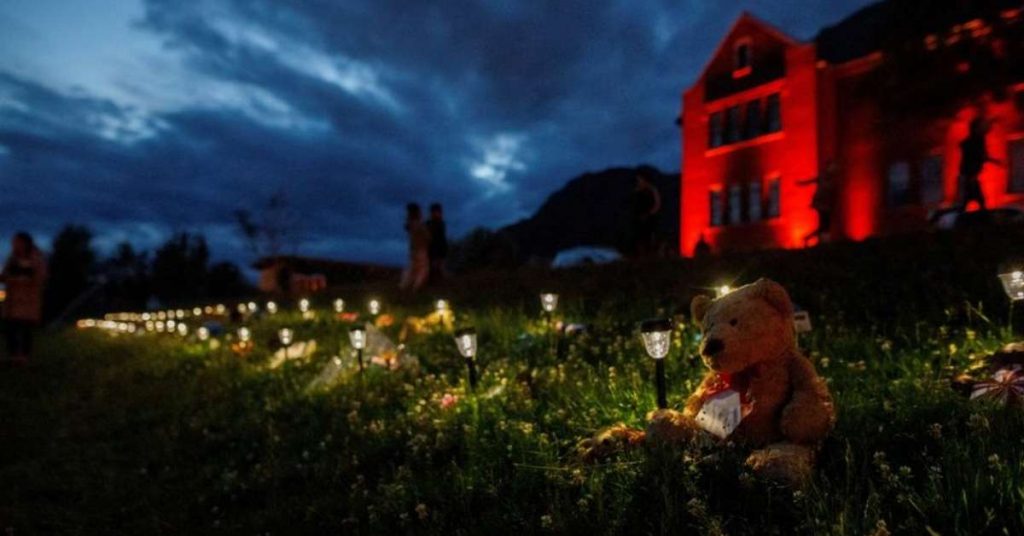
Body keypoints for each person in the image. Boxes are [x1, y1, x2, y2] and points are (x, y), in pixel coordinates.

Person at [1, 232, 47, 365]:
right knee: (10, 328)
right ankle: (13, 356)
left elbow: (40, 277)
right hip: (12, 301)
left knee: (25, 328)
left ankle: (24, 357)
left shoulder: (36, 259)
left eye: (18, 242)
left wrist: (23, 279)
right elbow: (4, 275)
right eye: (14, 242)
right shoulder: (12, 259)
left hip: (28, 301)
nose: (15, 245)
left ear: (25, 243)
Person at [958, 116, 1002, 212]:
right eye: (983, 126)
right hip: (970, 176)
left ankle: (966, 220)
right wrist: (971, 176)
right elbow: (974, 157)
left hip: (970, 176)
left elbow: (981, 156)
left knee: (972, 200)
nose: (986, 128)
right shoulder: (975, 141)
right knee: (974, 200)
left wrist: (994, 161)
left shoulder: (979, 140)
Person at [799, 161, 837, 247]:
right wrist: (801, 183)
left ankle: (815, 240)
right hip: (821, 204)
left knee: (825, 225)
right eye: (832, 168)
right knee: (824, 224)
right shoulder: (823, 177)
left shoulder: (832, 181)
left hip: (826, 204)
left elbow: (832, 194)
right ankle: (821, 242)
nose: (833, 170)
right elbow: (811, 180)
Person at [630, 171, 661, 258]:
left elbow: (657, 203)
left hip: (649, 217)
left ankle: (650, 255)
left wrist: (650, 213)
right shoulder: (636, 191)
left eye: (640, 179)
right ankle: (640, 255)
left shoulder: (651, 189)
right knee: (639, 237)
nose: (639, 181)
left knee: (648, 237)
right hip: (638, 217)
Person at [400, 203, 430, 292]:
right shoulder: (419, 224)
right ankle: (416, 288)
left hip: (413, 250)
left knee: (412, 269)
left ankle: (404, 286)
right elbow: (427, 237)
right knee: (423, 270)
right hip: (420, 249)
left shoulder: (411, 223)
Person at [425, 203, 448, 284]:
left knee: (440, 267)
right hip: (432, 248)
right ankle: (433, 283)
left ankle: (441, 283)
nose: (436, 214)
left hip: (440, 248)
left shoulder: (441, 223)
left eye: (438, 212)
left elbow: (441, 237)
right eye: (434, 212)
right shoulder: (429, 223)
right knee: (432, 267)